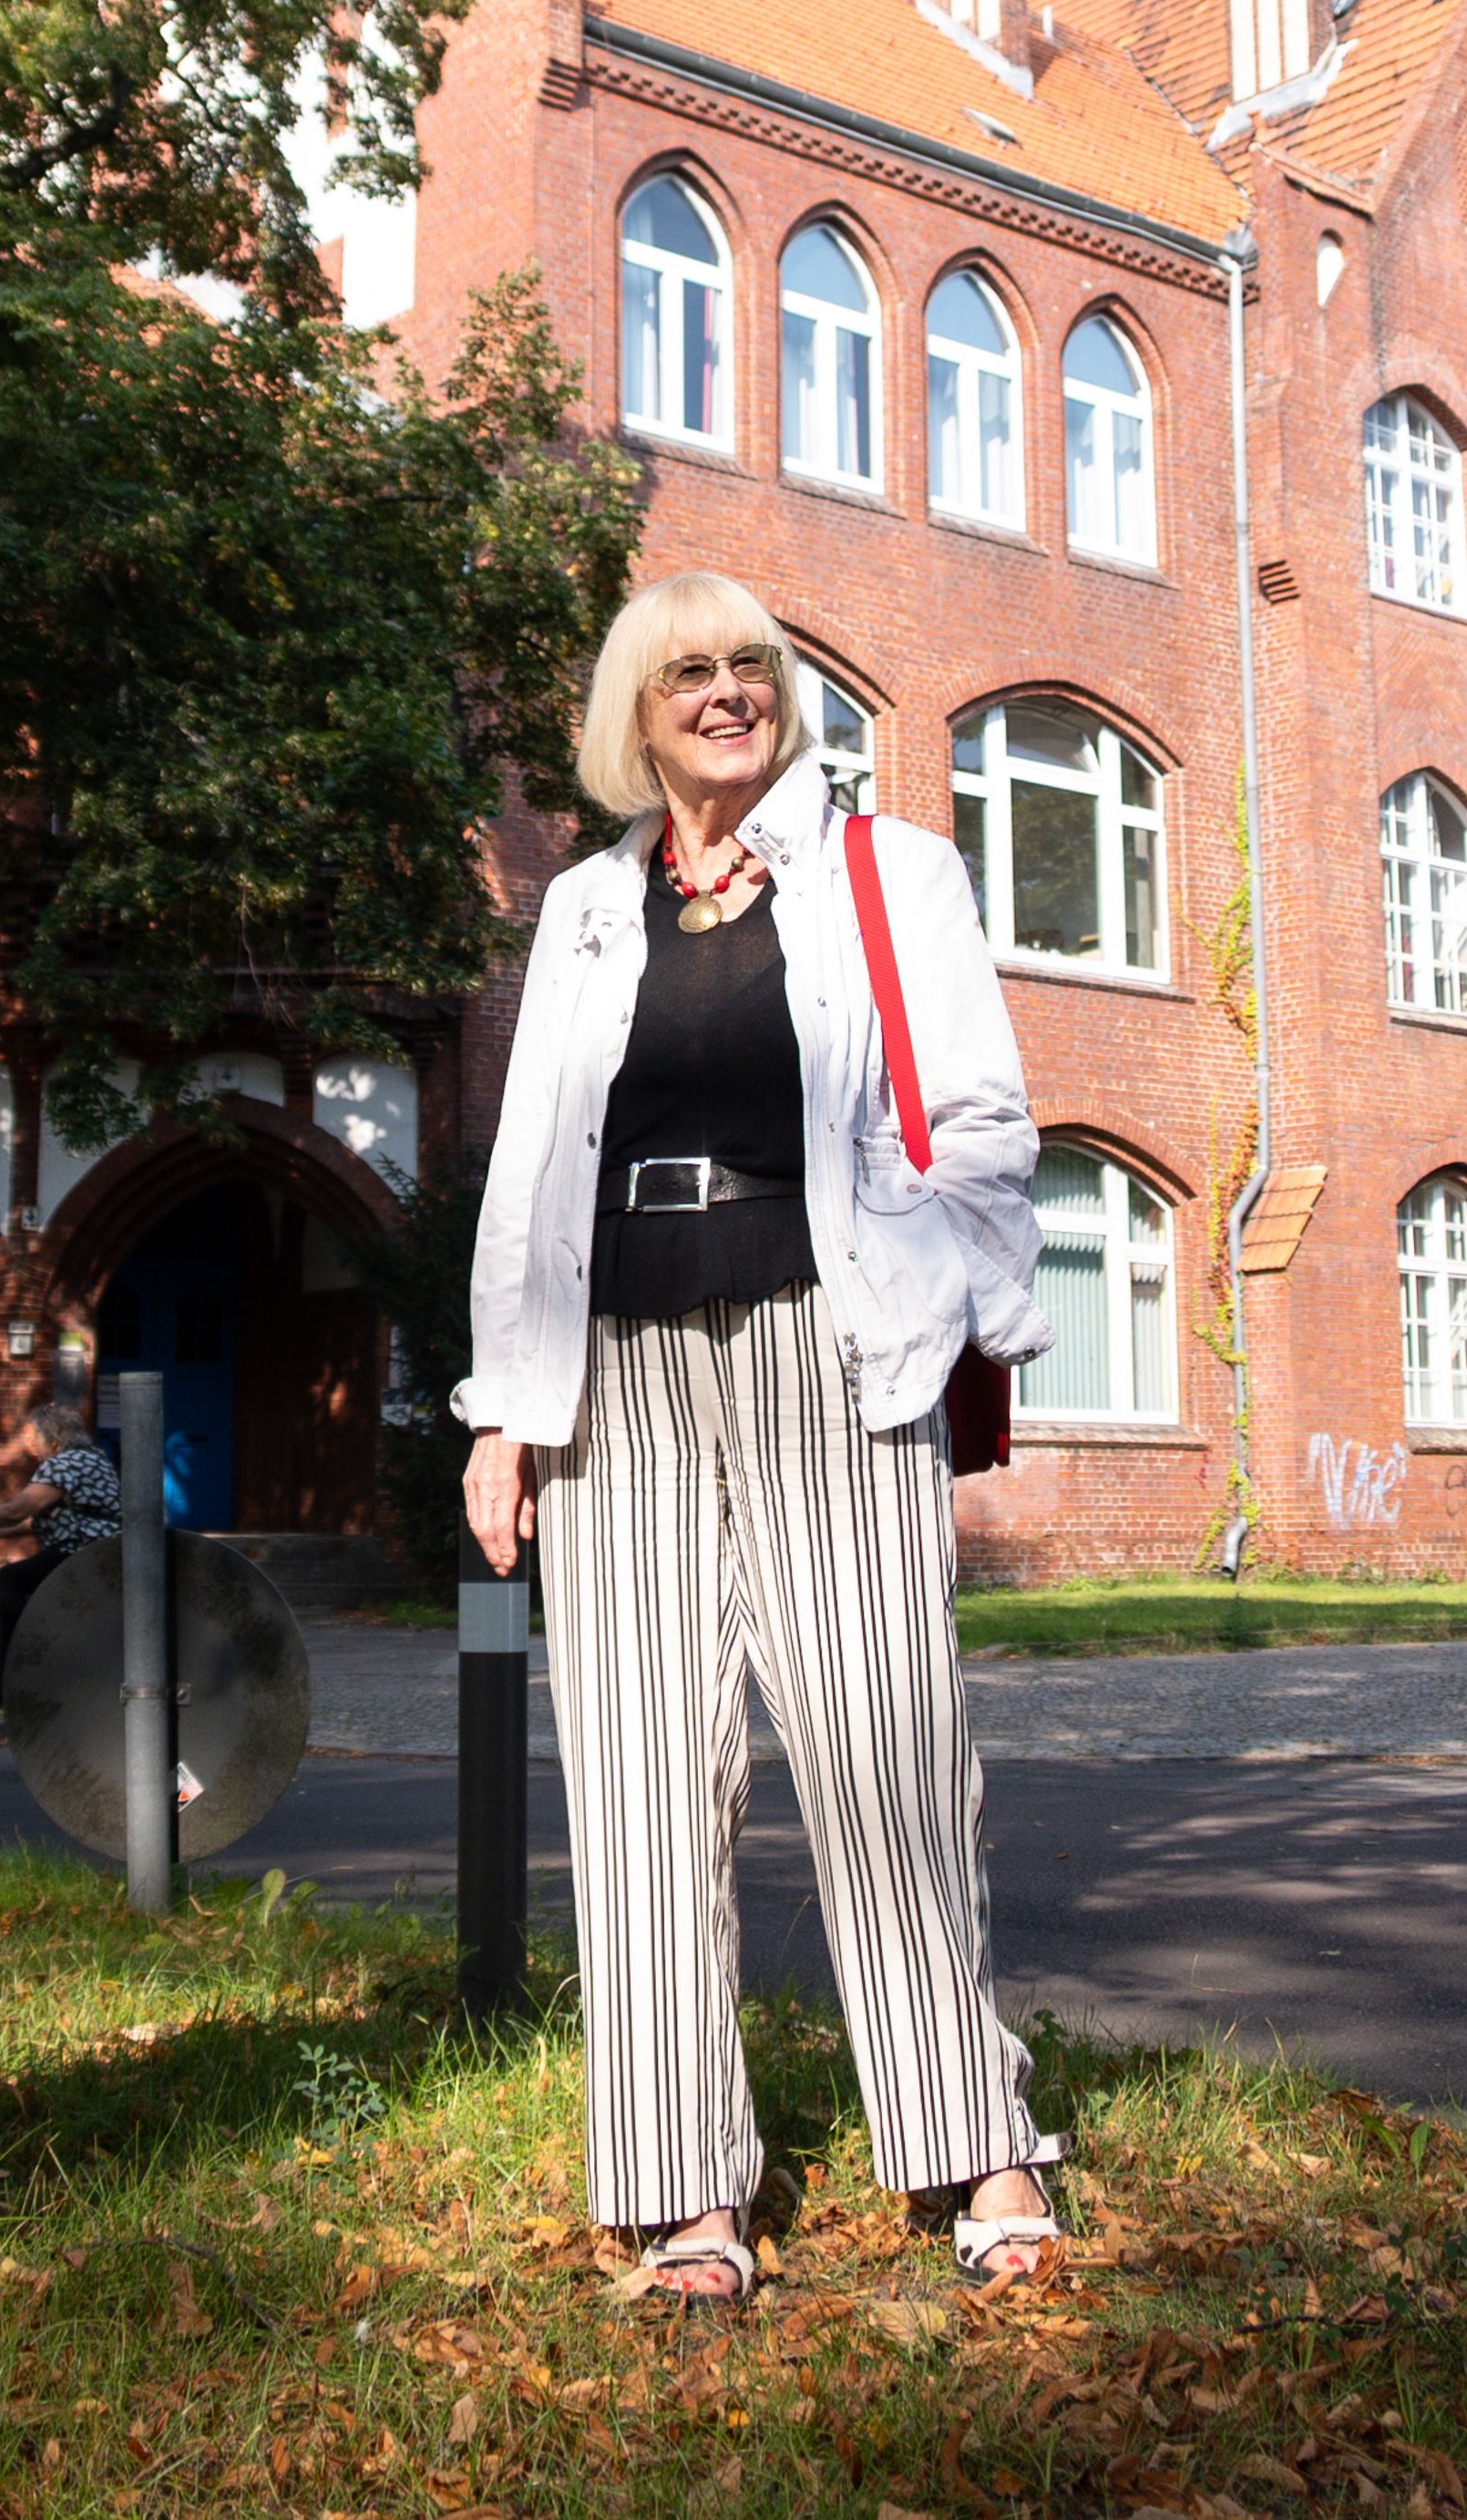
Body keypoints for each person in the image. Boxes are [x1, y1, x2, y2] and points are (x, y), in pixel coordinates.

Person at [457, 569, 1067, 2306]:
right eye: (685, 673)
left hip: (824, 1333)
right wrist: (503, 1409)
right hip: (619, 1360)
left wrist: (932, 1304)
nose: (724, 692)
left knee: (882, 1742)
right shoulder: (580, 906)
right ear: (634, 715)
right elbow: (525, 1173)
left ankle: (974, 2142)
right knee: (645, 1770)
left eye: (749, 667)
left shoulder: (889, 871)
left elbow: (982, 1121)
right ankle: (684, 2189)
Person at [0, 1394, 121, 1663]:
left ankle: (11, 1671)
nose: (31, 1445)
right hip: (101, 1549)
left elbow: (18, 1509)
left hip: (83, 1552)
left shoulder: (63, 1465)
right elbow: (52, 1518)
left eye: (34, 1438)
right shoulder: (91, 1457)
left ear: (53, 1440)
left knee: (11, 1579)